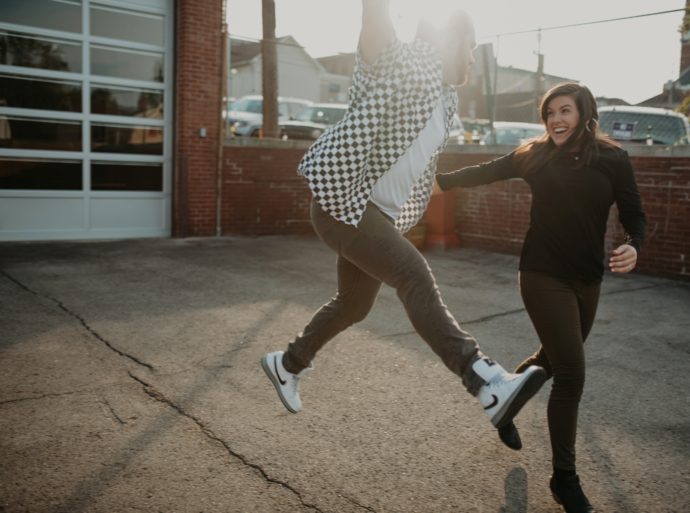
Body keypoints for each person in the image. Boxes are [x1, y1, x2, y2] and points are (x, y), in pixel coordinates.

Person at [261, 0, 546, 438]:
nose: (473, 56)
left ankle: (288, 363)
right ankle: (485, 381)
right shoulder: (400, 61)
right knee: (414, 275)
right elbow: (374, 19)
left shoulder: (446, 99)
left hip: (379, 216)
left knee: (355, 303)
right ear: (449, 39)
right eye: (470, 45)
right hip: (345, 204)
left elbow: (417, 163)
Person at [436, 82, 646, 513]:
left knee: (551, 359)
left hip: (588, 279)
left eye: (564, 111)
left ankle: (503, 402)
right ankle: (564, 480)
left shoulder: (613, 159)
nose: (555, 120)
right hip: (541, 274)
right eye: (549, 113)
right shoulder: (535, 155)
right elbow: (485, 171)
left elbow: (633, 212)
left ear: (584, 114)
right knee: (571, 372)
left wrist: (633, 244)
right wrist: (437, 182)